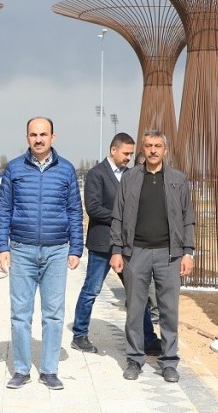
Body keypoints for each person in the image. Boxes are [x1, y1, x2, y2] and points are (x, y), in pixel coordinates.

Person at [0, 117, 83, 390]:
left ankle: (49, 369)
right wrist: (2, 247)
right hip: (21, 250)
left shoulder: (66, 170)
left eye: (44, 134)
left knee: (54, 313)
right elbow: (5, 210)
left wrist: (76, 247)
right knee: (20, 314)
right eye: (33, 134)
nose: (39, 139)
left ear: (53, 137)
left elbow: (74, 211)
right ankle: (21, 369)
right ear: (27, 138)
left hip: (57, 250)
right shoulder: (14, 169)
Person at [111, 130, 193, 384]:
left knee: (169, 310)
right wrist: (116, 250)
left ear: (165, 150)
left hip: (170, 255)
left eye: (158, 145)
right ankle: (134, 360)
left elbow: (188, 218)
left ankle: (169, 362)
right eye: (148, 146)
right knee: (135, 309)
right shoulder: (130, 179)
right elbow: (118, 215)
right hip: (136, 254)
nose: (153, 150)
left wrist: (188, 253)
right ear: (143, 150)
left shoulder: (179, 180)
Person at [70, 132, 161, 356]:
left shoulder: (134, 174)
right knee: (91, 290)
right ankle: (79, 334)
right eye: (126, 153)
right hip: (102, 244)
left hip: (128, 245)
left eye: (131, 153)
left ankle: (148, 339)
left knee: (137, 293)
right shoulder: (96, 174)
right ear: (113, 150)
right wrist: (122, 217)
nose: (129, 157)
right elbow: (92, 208)